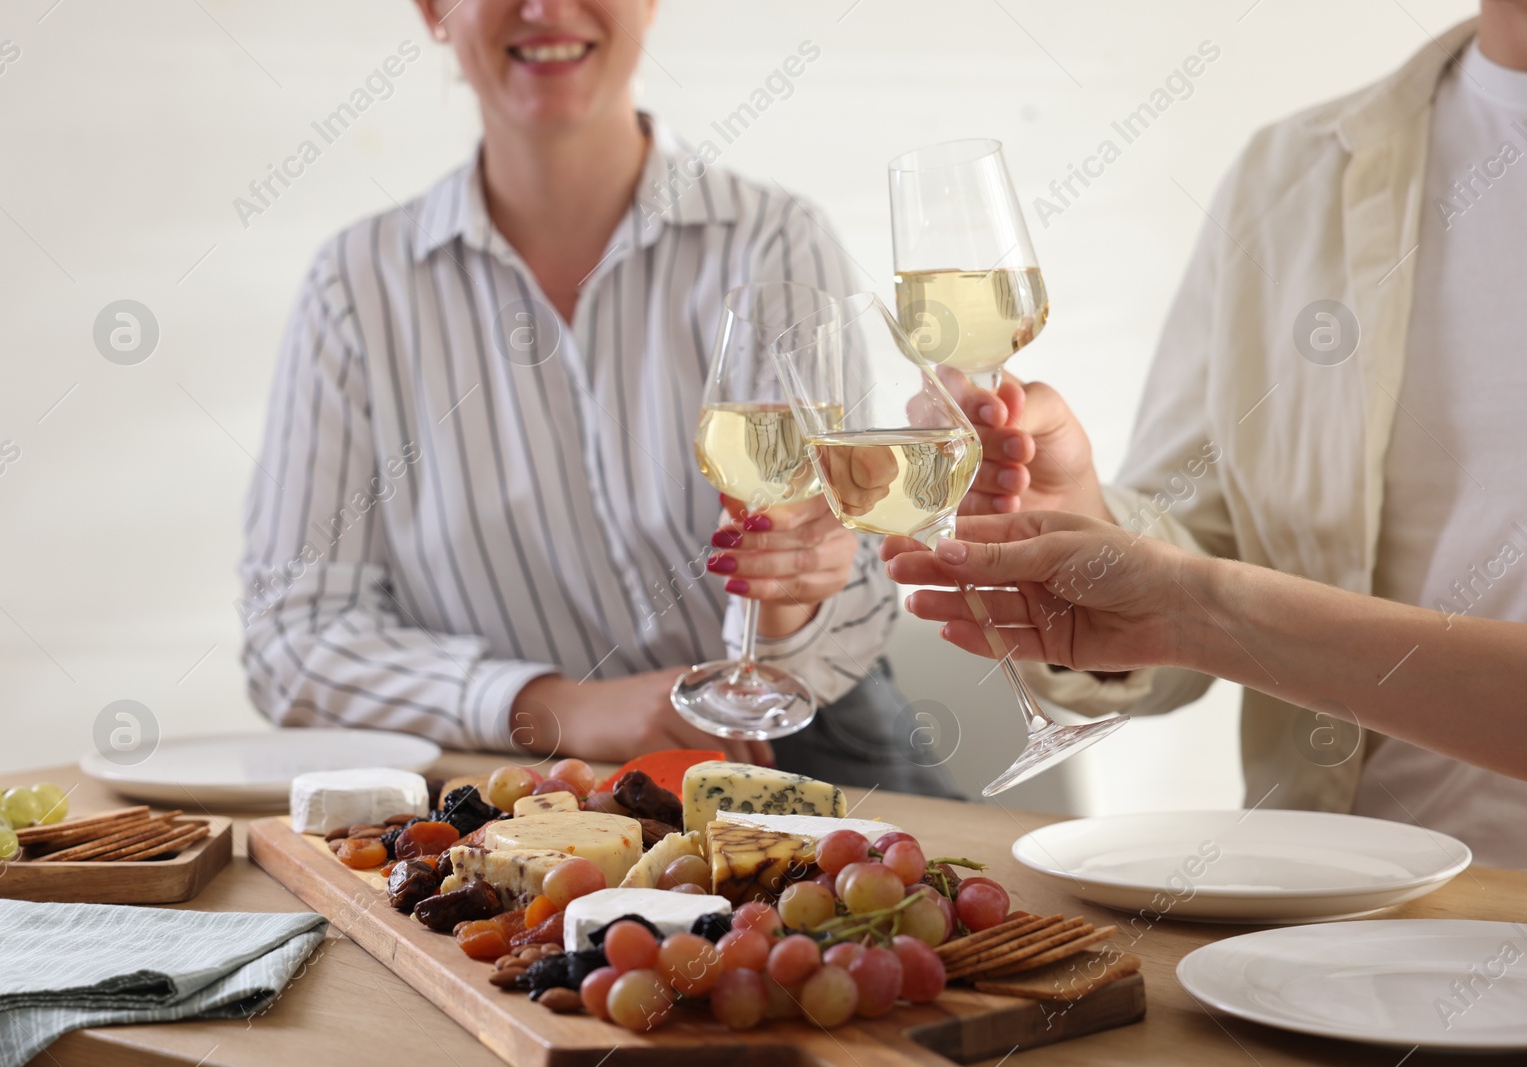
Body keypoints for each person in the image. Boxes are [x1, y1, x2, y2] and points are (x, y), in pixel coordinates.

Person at [235, 0, 966, 795]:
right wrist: (552, 708)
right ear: (434, 10)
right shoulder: (356, 285)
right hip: (530, 784)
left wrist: (788, 605)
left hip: (805, 755)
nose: (545, 8)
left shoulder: (773, 238)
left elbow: (851, 588)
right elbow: (293, 637)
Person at [954, 4, 1527, 864]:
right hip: (1341, 914)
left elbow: (1218, 604)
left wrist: (1200, 604)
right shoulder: (1292, 173)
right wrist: (1096, 525)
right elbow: (1213, 565)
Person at [882, 512, 1527, 784]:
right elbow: (1209, 520)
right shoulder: (1274, 222)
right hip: (1325, 898)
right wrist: (1174, 606)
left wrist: (1184, 608)